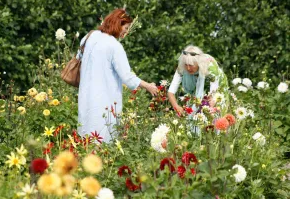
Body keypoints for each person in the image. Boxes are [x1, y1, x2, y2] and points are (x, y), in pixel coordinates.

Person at [78, 8, 158, 143]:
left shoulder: (90, 36)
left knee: (85, 137)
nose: (126, 33)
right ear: (117, 24)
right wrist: (148, 86)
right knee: (102, 138)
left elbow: (78, 57)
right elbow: (127, 76)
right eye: (125, 28)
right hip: (103, 100)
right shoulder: (114, 46)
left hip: (85, 95)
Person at [168, 45, 229, 118]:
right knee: (192, 114)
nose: (188, 68)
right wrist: (176, 107)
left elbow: (213, 95)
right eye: (186, 65)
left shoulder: (210, 68)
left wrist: (208, 111)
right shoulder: (182, 67)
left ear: (198, 63)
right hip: (197, 90)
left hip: (218, 90)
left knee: (214, 115)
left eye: (191, 65)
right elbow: (171, 91)